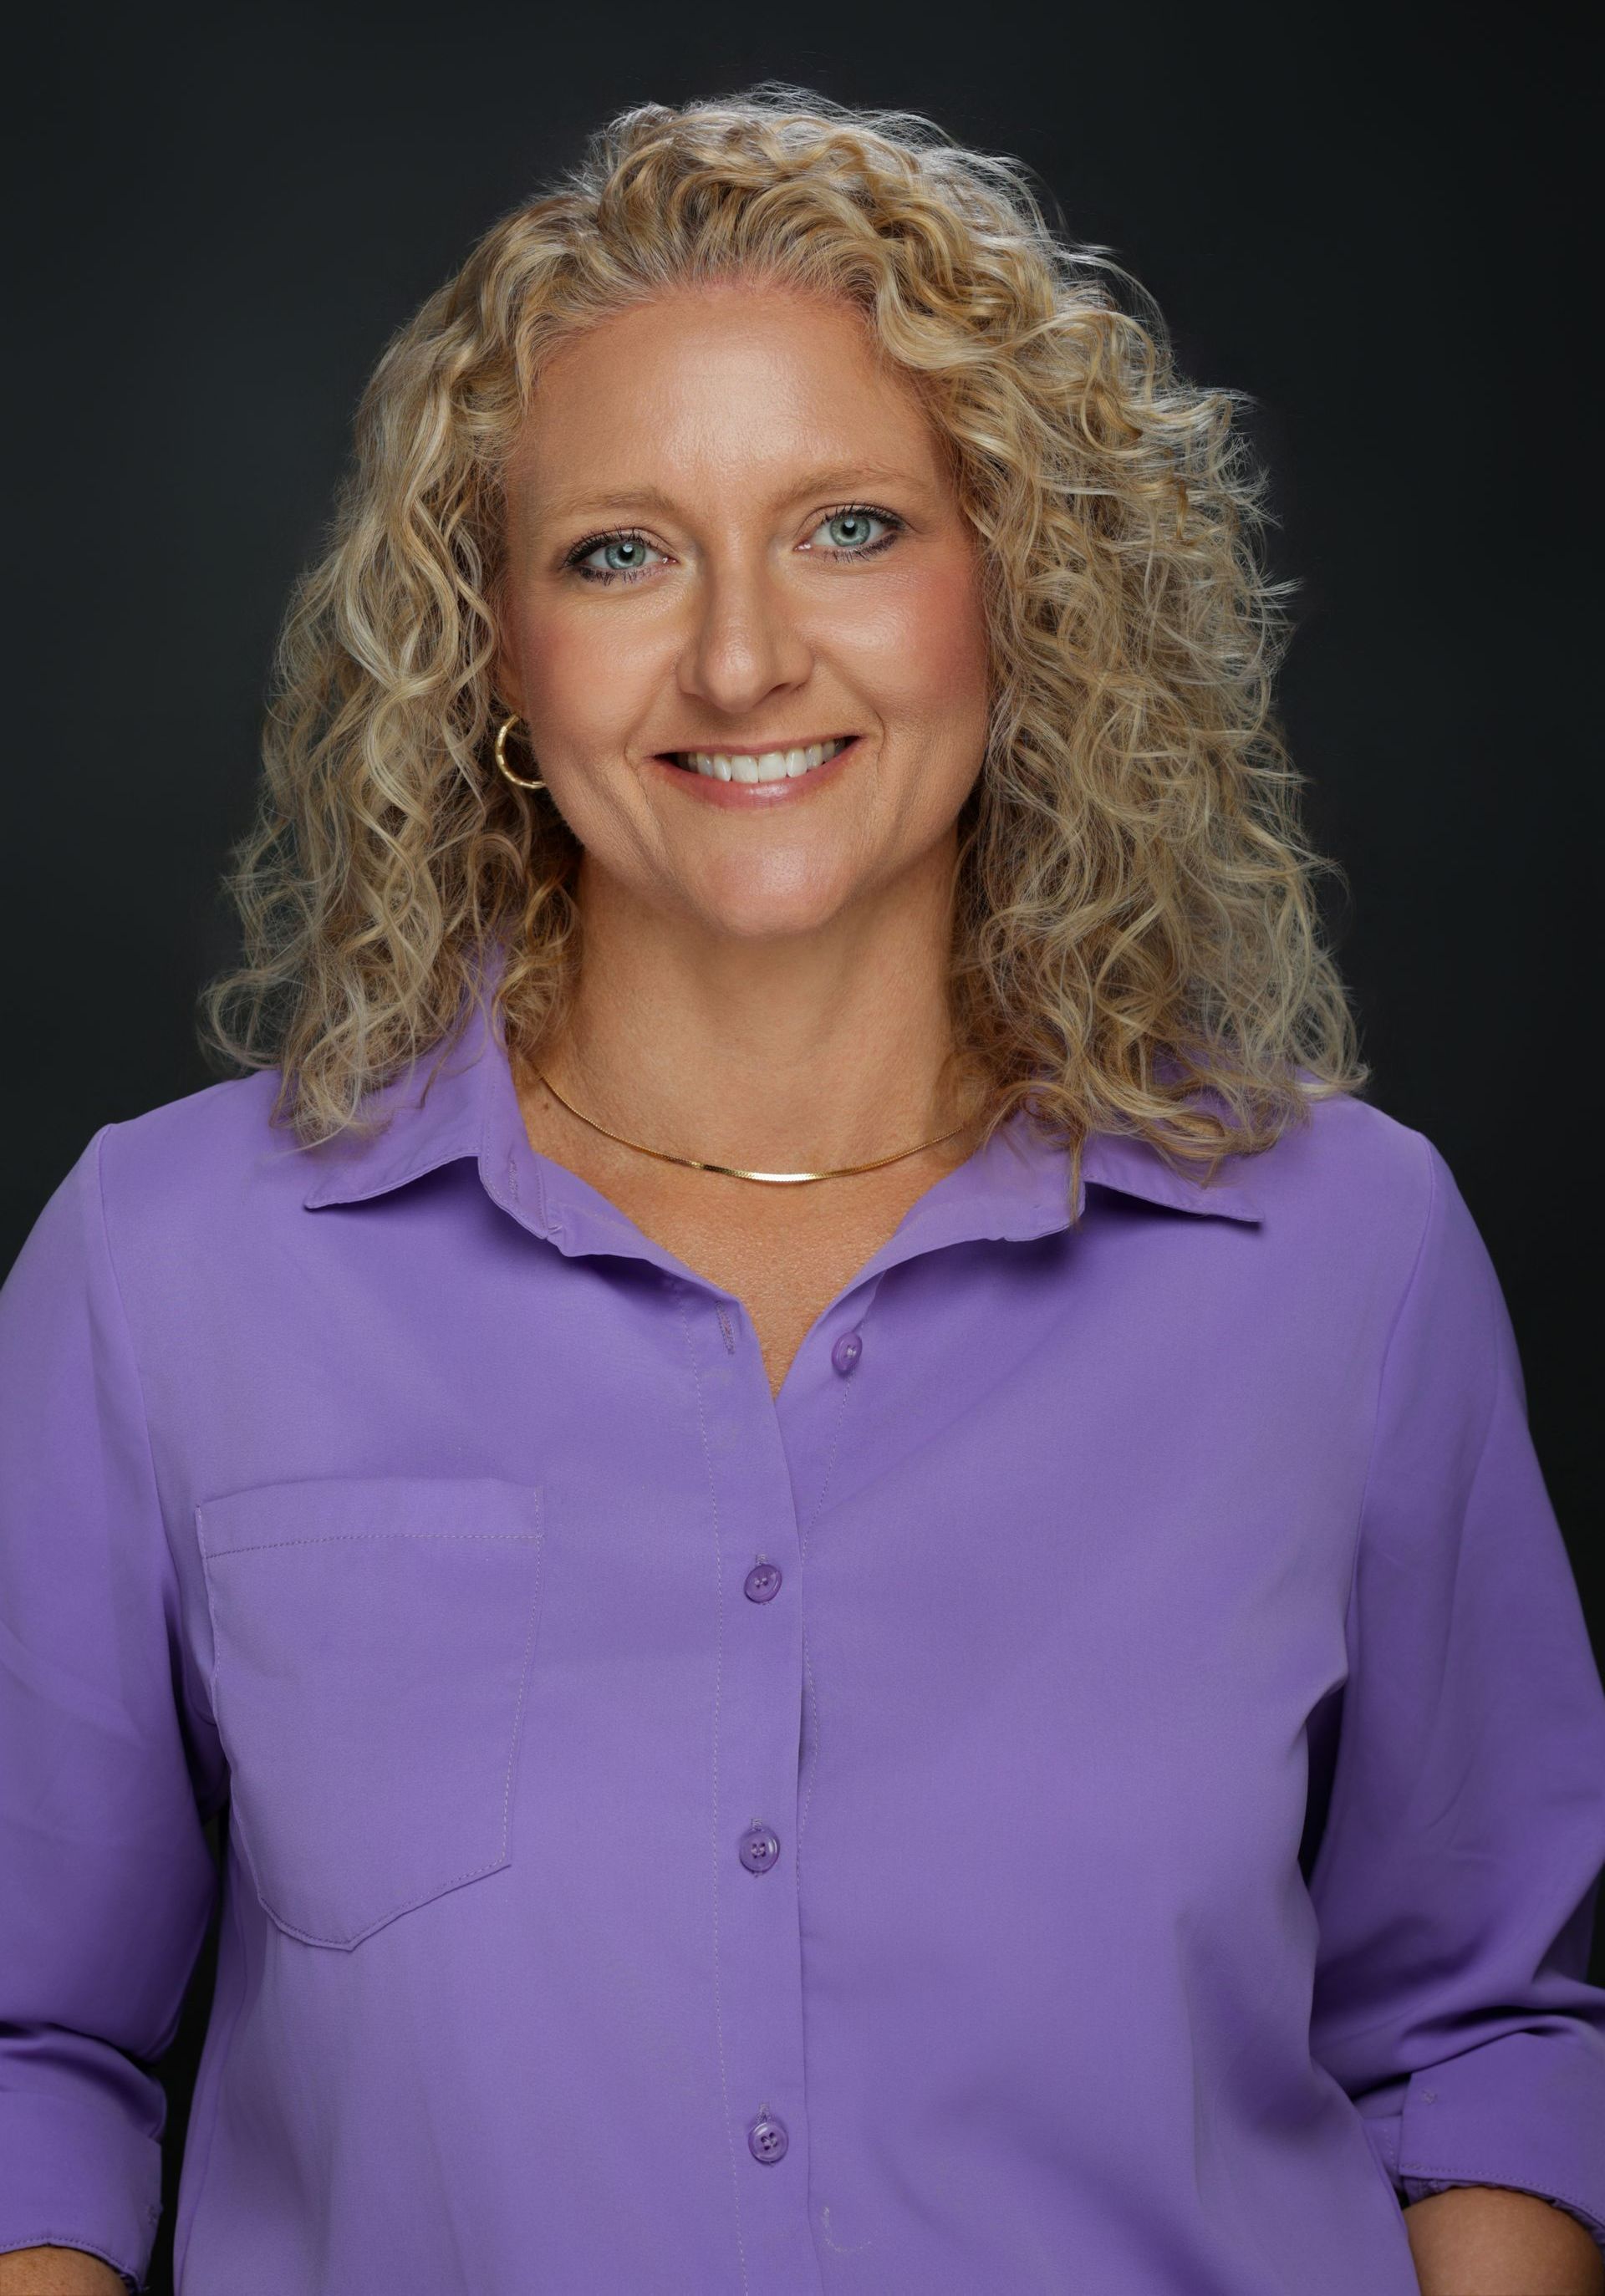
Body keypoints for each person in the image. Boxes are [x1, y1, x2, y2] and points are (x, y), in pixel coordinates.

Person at [1, 84, 1602, 2296]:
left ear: (1014, 588)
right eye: (618, 551)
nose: (743, 656)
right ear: (490, 654)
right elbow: (30, 2047)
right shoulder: (163, 1274)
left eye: (849, 526)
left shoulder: (1354, 1261)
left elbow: (1474, 2033)